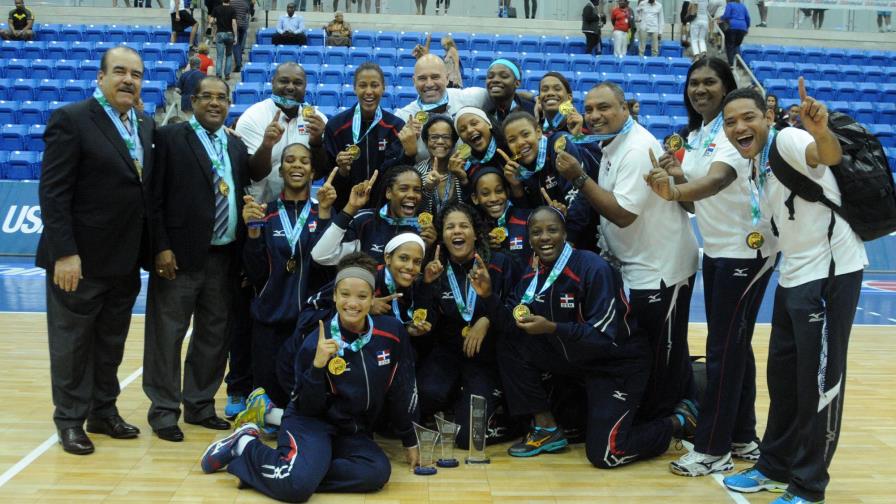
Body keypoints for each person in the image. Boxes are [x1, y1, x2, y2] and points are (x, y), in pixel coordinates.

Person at [720, 81, 867, 504]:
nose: (739, 127)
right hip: (794, 277)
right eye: (730, 122)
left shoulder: (788, 139)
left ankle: (807, 485)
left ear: (768, 116)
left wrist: (820, 131)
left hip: (829, 274)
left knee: (818, 384)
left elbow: (825, 156)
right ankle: (774, 466)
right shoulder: (756, 162)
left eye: (748, 117)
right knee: (783, 381)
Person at [472, 207, 695, 464]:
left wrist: (552, 328)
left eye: (552, 230)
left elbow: (604, 338)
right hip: (577, 361)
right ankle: (546, 428)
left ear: (565, 233)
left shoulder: (593, 268)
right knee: (511, 344)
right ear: (529, 238)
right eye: (536, 232)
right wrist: (488, 296)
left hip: (616, 364)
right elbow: (510, 324)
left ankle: (678, 421)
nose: (544, 237)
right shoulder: (533, 274)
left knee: (607, 454)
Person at [643, 57, 777, 476]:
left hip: (748, 253)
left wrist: (675, 187)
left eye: (709, 83)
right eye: (693, 83)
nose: (699, 90)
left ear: (726, 87)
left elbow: (718, 180)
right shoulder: (698, 134)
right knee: (733, 346)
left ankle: (713, 448)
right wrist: (678, 178)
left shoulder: (733, 131)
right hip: (718, 251)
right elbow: (693, 200)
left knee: (723, 351)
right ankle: (742, 435)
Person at [200, 255, 421, 503]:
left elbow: (400, 387)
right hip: (311, 423)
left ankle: (282, 473)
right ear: (334, 296)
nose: (352, 303)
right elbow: (306, 405)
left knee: (376, 472)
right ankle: (245, 446)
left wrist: (409, 438)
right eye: (345, 294)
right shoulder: (315, 341)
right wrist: (317, 367)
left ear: (372, 299)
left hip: (351, 429)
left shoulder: (391, 332)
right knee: (297, 490)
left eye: (362, 296)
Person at [554, 81, 699, 423]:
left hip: (662, 269)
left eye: (604, 108)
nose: (594, 115)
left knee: (663, 351)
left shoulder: (635, 149)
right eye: (589, 109)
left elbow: (622, 213)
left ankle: (668, 423)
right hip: (641, 265)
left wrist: (579, 178)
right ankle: (681, 408)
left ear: (625, 108)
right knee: (660, 346)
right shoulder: (614, 144)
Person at [38, 46, 154, 455]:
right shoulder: (71, 119)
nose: (128, 80)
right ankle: (69, 419)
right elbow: (53, 192)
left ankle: (102, 412)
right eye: (120, 71)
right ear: (101, 77)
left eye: (136, 74)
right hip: (79, 260)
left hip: (124, 259)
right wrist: (64, 252)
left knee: (110, 342)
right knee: (72, 345)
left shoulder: (142, 123)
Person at [143, 76, 250, 442]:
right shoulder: (172, 138)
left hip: (224, 256)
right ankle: (163, 411)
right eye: (207, 97)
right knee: (167, 335)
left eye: (222, 97)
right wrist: (161, 246)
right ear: (193, 100)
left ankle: (200, 405)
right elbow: (153, 197)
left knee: (214, 334)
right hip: (179, 257)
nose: (215, 103)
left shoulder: (235, 146)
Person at [240, 144, 335, 408]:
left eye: (304, 161)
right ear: (280, 170)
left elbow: (326, 266)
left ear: (313, 171)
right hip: (269, 320)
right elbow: (255, 273)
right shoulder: (265, 213)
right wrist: (253, 234)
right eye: (290, 160)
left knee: (305, 395)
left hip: (309, 322)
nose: (297, 165)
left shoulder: (323, 211)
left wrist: (327, 216)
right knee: (268, 402)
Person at [417, 203, 516, 448]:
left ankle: (516, 421)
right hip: (448, 352)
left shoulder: (499, 263)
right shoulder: (436, 267)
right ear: (442, 235)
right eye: (450, 227)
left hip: (486, 358)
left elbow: (516, 310)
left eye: (464, 226)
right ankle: (456, 402)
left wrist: (487, 318)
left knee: (466, 439)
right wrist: (426, 287)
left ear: (475, 233)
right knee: (425, 396)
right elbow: (426, 321)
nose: (457, 231)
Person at [235, 62, 328, 202]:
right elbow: (254, 174)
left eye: (297, 83)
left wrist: (316, 143)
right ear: (273, 82)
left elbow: (318, 174)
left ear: (305, 87)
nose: (290, 87)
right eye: (284, 81)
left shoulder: (318, 120)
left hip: (301, 209)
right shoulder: (252, 117)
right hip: (259, 209)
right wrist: (266, 146)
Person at [324, 63, 408, 212]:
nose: (369, 91)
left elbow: (399, 174)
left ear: (383, 88)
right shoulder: (335, 127)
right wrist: (342, 171)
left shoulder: (396, 127)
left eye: (374, 85)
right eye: (363, 85)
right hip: (345, 210)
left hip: (384, 211)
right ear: (354, 88)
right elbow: (328, 178)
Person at [311, 166, 436, 265]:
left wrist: (428, 247)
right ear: (388, 193)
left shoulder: (423, 229)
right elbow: (320, 255)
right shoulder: (364, 221)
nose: (412, 195)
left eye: (417, 190)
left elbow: (421, 277)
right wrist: (350, 208)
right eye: (403, 189)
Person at [394, 54, 489, 163]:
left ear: (447, 78)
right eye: (422, 78)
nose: (429, 84)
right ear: (414, 81)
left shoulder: (471, 98)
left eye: (435, 77)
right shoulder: (403, 117)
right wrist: (407, 153)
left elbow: (504, 101)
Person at [416, 116, 466, 215]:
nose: (440, 142)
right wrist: (427, 189)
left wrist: (463, 179)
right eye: (434, 137)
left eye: (446, 137)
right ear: (426, 142)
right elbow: (414, 210)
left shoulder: (464, 169)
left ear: (453, 142)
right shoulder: (416, 173)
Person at [454, 107, 508, 184]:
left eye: (474, 123)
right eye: (462, 130)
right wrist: (463, 180)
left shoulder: (510, 147)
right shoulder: (468, 168)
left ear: (489, 124)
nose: (469, 130)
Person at [482, 59, 536, 124]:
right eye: (490, 76)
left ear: (517, 83)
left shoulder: (533, 110)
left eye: (504, 76)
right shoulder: (479, 107)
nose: (495, 80)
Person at [209, 0, 237, 80]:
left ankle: (218, 74)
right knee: (228, 55)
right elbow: (234, 23)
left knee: (219, 56)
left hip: (220, 33)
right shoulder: (232, 9)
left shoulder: (216, 9)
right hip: (229, 34)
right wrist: (235, 36)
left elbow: (211, 21)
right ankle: (227, 74)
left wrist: (215, 22)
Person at [719, 0, 749, 66]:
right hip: (742, 28)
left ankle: (731, 64)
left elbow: (726, 15)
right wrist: (747, 27)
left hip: (732, 26)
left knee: (730, 45)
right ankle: (738, 62)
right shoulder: (743, 6)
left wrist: (720, 18)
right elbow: (747, 18)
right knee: (737, 45)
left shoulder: (730, 5)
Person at [231, 0, 251, 72]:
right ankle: (240, 59)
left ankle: (238, 63)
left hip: (235, 26)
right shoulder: (245, 3)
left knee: (235, 44)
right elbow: (247, 15)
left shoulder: (231, 2)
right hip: (243, 26)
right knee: (239, 45)